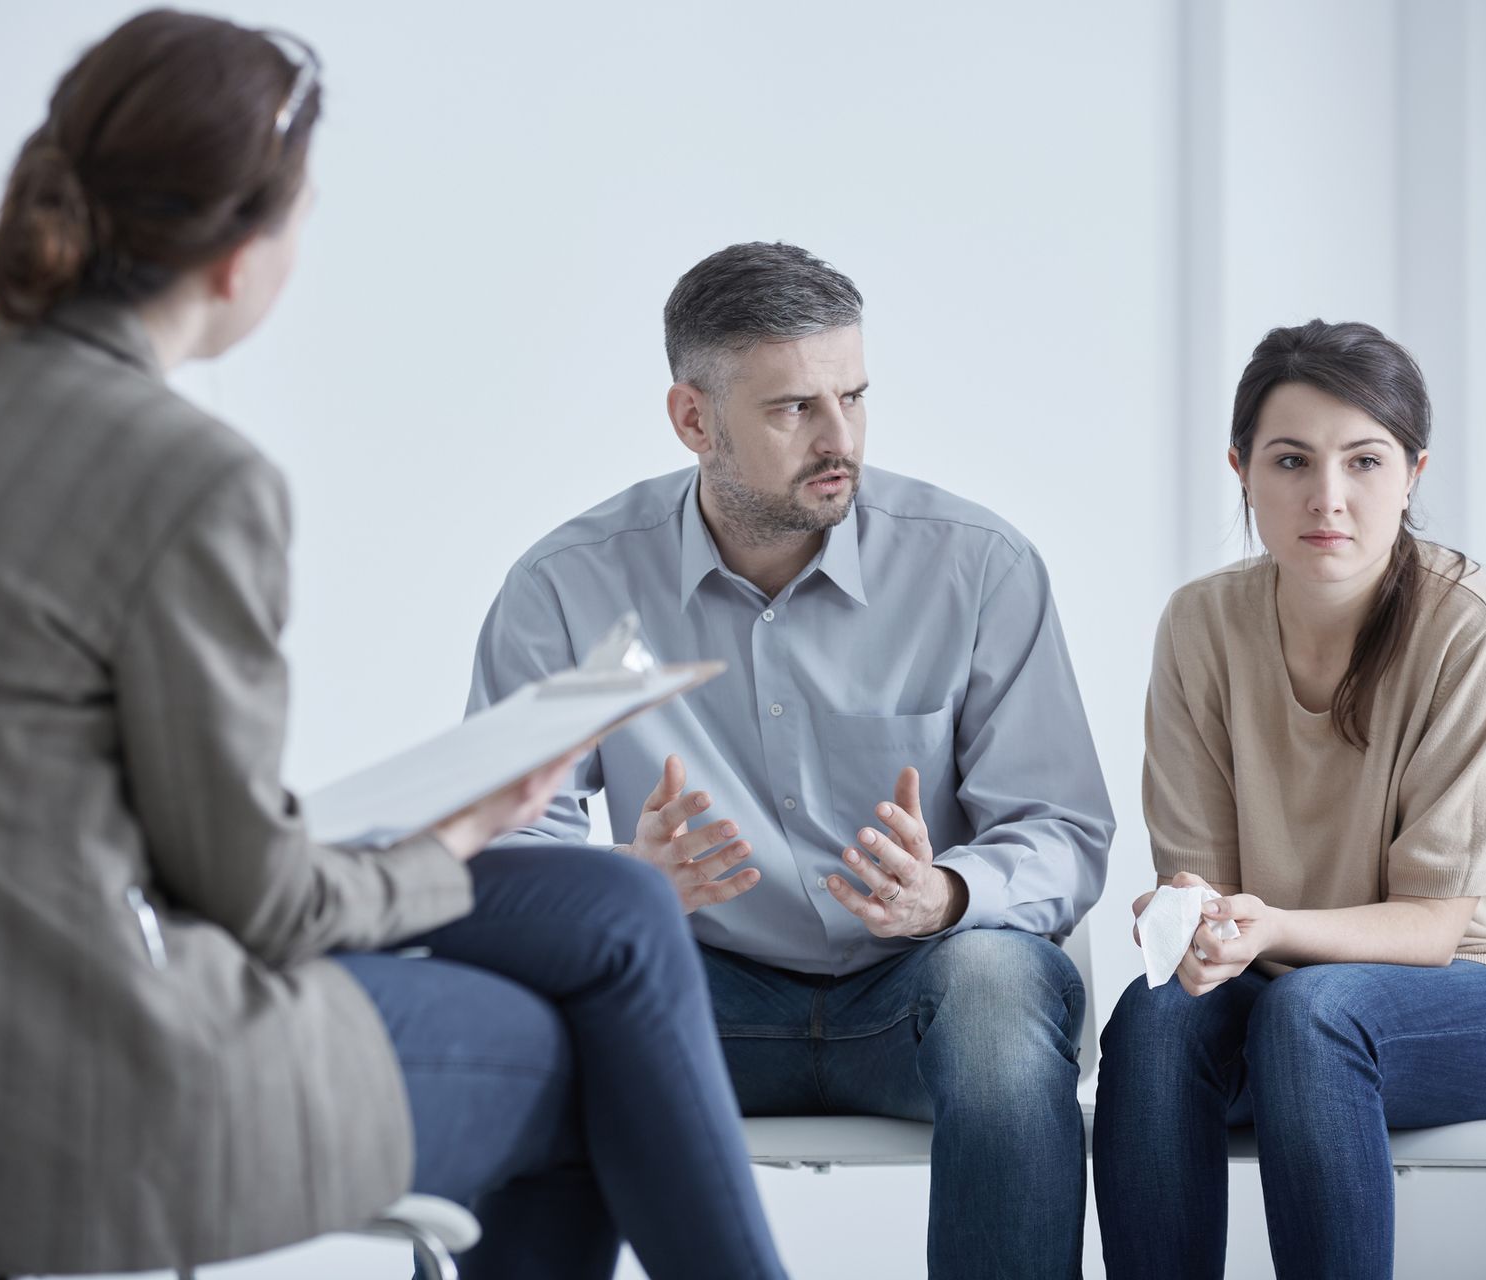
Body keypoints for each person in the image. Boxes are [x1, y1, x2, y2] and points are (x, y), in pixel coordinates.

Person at [0, 14, 785, 1279]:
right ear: (240, 254)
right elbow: (265, 901)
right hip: (82, 1086)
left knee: (614, 901)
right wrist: (444, 841)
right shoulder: (189, 478)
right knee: (576, 1049)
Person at [467, 240, 1115, 1278]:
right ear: (693, 419)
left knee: (1001, 984)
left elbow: (1063, 828)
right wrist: (621, 886)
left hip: (921, 994)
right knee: (519, 1023)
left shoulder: (977, 566)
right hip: (689, 1004)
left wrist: (946, 891)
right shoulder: (569, 587)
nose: (839, 439)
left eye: (853, 397)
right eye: (793, 409)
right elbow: (502, 855)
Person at [1091, 319, 1486, 1280]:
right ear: (1242, 468)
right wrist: (1191, 923)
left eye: (1364, 462)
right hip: (1297, 994)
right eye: (1291, 460)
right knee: (1153, 1018)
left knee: (1313, 1017)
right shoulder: (1201, 624)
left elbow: (1431, 930)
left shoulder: (1470, 627)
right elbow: (1206, 886)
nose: (1327, 498)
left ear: (1413, 474)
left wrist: (1263, 929)